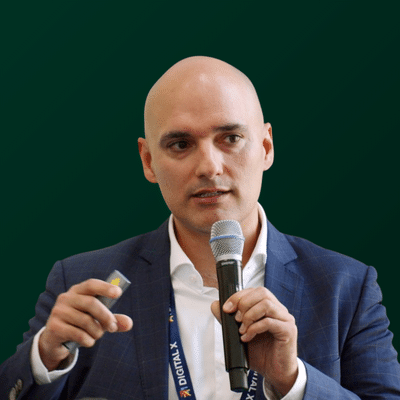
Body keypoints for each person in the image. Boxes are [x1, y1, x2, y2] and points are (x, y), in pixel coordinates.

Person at [1, 56, 399, 400]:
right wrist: (46, 355)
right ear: (148, 161)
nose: (209, 166)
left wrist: (292, 381)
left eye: (230, 138)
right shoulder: (84, 281)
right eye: (180, 144)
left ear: (265, 147)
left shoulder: (346, 286)